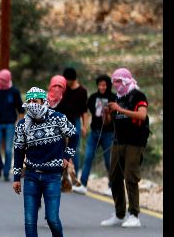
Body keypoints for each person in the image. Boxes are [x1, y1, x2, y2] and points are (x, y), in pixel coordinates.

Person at [12, 87, 77, 237]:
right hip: (31, 175)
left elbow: (74, 136)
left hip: (52, 176)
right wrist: (17, 177)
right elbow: (18, 151)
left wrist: (66, 156)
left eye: (37, 101)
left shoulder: (58, 118)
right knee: (29, 220)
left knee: (52, 218)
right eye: (30, 102)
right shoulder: (22, 125)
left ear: (43, 102)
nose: (33, 105)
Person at [100, 68, 149, 228]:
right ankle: (119, 214)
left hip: (134, 143)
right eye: (113, 81)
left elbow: (142, 115)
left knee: (131, 177)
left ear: (127, 80)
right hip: (118, 142)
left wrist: (120, 110)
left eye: (118, 81)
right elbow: (108, 123)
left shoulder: (138, 96)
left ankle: (134, 215)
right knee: (114, 177)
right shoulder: (117, 98)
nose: (115, 85)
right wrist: (106, 114)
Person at [74, 75, 116, 194]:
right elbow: (85, 111)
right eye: (100, 85)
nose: (102, 87)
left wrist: (107, 115)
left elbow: (113, 118)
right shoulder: (93, 97)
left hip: (108, 133)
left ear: (108, 85)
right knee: (88, 157)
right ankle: (83, 184)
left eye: (104, 85)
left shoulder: (113, 98)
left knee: (109, 161)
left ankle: (111, 186)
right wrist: (84, 125)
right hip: (94, 133)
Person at [0, 69, 23, 181]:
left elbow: (21, 110)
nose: (0, 81)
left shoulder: (14, 92)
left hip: (9, 124)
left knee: (8, 150)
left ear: (8, 79)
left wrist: (20, 123)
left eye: (3, 80)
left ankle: (6, 172)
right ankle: (0, 166)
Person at [55, 67, 89, 176]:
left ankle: (74, 174)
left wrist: (85, 126)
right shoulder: (63, 90)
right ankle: (61, 173)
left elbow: (84, 110)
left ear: (72, 79)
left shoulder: (82, 91)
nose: (65, 82)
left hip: (75, 120)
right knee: (59, 146)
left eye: (67, 79)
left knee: (74, 149)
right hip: (62, 120)